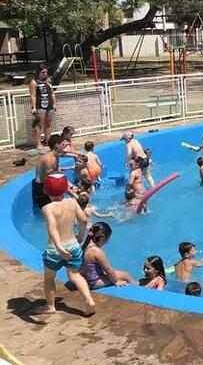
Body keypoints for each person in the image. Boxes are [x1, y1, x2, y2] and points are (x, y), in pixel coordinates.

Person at [36, 173, 96, 315]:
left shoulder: (48, 208)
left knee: (49, 277)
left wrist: (58, 246)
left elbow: (53, 228)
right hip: (73, 246)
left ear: (45, 191)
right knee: (75, 275)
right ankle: (89, 300)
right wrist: (81, 235)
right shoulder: (73, 202)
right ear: (65, 190)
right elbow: (84, 220)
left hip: (55, 250)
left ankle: (50, 306)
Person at [80, 222, 134, 289]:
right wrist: (116, 281)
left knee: (115, 272)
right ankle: (139, 291)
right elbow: (109, 270)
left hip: (82, 280)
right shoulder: (96, 251)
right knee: (126, 275)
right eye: (107, 239)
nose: (106, 242)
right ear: (102, 238)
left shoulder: (83, 244)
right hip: (93, 283)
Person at [29, 64, 57, 151]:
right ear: (38, 72)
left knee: (48, 125)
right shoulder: (33, 82)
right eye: (43, 72)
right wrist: (33, 107)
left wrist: (55, 103)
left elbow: (52, 93)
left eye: (46, 72)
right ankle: (38, 144)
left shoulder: (48, 81)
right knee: (39, 125)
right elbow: (33, 95)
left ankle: (48, 141)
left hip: (49, 106)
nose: (45, 74)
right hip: (40, 106)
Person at [32, 135, 64, 210]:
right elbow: (50, 178)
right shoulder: (49, 159)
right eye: (62, 144)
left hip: (48, 184)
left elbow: (56, 173)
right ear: (57, 145)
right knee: (49, 211)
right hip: (41, 188)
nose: (63, 147)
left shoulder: (56, 156)